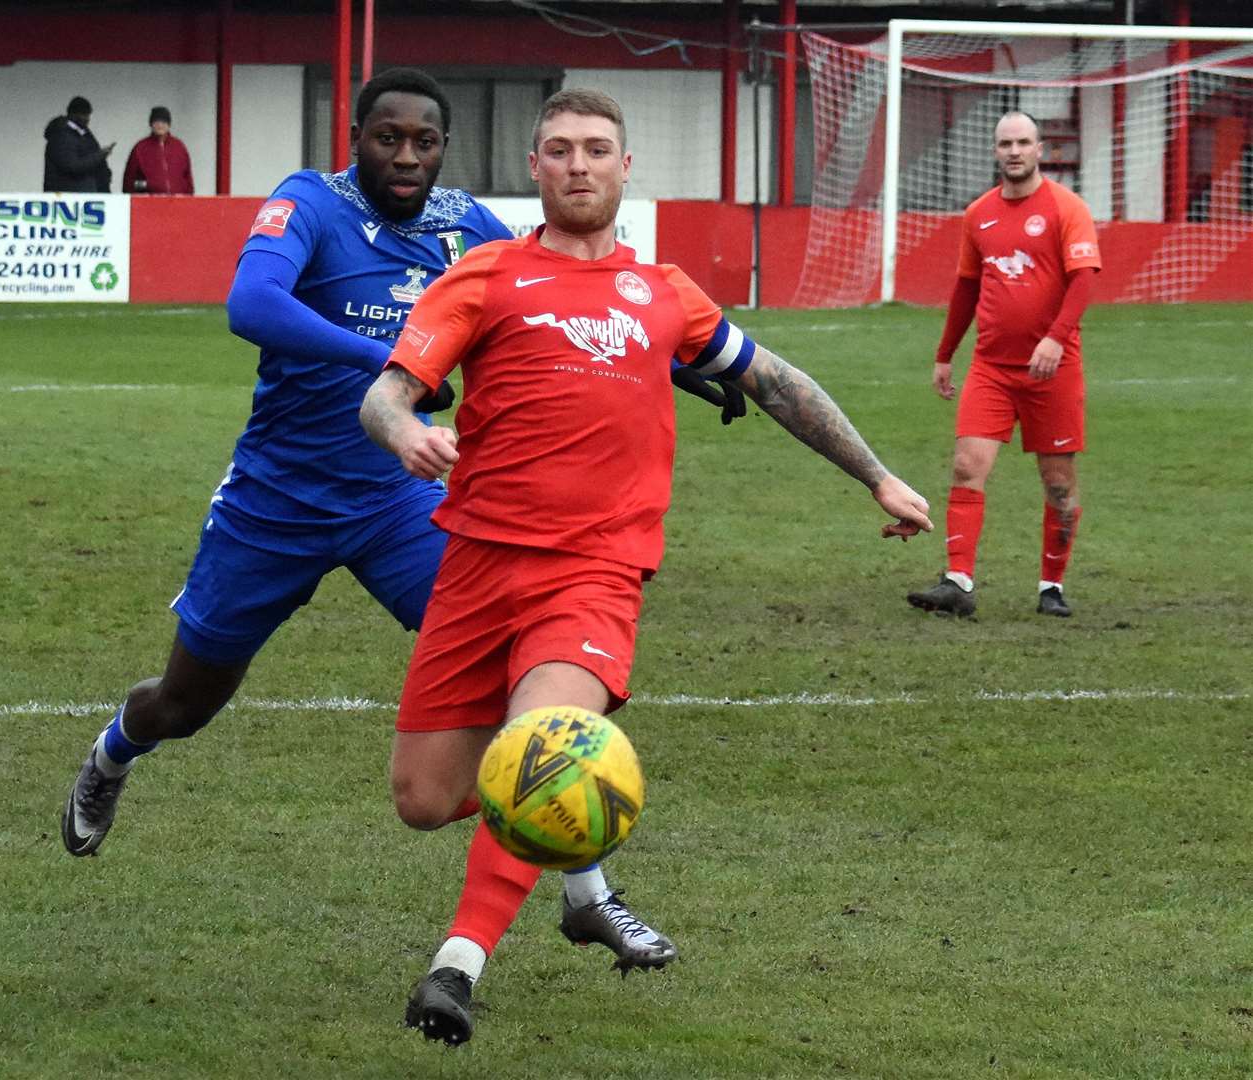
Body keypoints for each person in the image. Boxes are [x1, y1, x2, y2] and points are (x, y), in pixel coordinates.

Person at [59, 69, 731, 977]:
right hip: (278, 499)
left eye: (424, 141)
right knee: (186, 701)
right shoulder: (309, 203)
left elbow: (567, 293)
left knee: (532, 690)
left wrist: (685, 363)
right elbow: (250, 307)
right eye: (388, 138)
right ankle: (114, 751)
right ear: (356, 137)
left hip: (400, 499)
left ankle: (587, 894)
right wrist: (386, 353)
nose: (406, 155)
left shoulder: (465, 225)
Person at [359, 87, 933, 1046]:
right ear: (533, 169)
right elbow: (386, 394)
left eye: (596, 149)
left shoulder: (665, 293)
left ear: (627, 169)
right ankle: (582, 870)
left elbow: (775, 381)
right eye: (558, 150)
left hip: (594, 572)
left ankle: (454, 969)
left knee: (541, 742)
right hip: (476, 567)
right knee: (424, 800)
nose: (578, 165)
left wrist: (876, 476)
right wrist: (406, 431)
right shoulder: (486, 277)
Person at [907, 111, 1101, 619]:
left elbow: (1083, 280)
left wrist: (1055, 340)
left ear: (1040, 149)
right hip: (991, 369)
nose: (1014, 151)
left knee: (1058, 483)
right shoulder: (978, 215)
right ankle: (957, 581)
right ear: (995, 152)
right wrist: (945, 354)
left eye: (1023, 142)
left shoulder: (1067, 208)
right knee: (967, 466)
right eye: (1004, 144)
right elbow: (967, 287)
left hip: (1053, 372)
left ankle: (1051, 587)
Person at [43, 95, 113, 193]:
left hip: (87, 193)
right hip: (71, 196)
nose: (88, 119)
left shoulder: (83, 133)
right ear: (73, 114)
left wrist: (105, 174)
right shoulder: (61, 136)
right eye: (84, 115)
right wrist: (100, 155)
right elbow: (73, 166)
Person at [122, 106, 195, 194]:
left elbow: (188, 178)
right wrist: (149, 185)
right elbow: (129, 183)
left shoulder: (179, 147)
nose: (160, 125)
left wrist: (188, 199)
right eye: (156, 121)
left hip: (177, 203)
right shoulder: (140, 148)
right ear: (151, 124)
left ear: (169, 125)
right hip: (149, 204)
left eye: (164, 122)